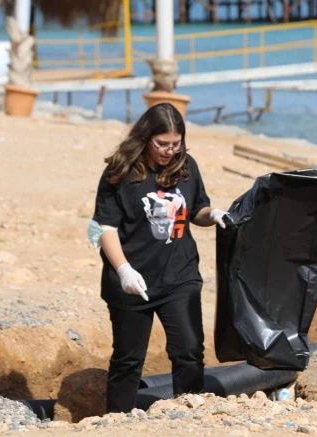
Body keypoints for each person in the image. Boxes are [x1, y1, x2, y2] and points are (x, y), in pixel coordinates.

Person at [88, 103, 228, 413]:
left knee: (189, 350)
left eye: (175, 144)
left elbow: (197, 211)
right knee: (128, 359)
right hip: (132, 281)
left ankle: (191, 414)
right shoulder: (120, 171)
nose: (169, 151)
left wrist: (213, 215)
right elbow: (104, 227)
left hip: (180, 275)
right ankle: (118, 422)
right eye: (162, 144)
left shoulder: (186, 165)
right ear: (145, 137)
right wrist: (123, 270)